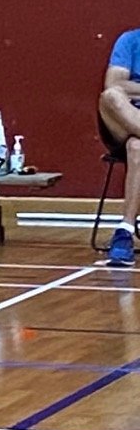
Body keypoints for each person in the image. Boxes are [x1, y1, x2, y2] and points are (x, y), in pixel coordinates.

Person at [99, 28, 140, 265]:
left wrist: (131, 85)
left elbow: (126, 83)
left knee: (137, 148)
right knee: (111, 96)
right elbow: (114, 83)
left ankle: (125, 230)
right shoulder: (130, 40)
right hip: (123, 120)